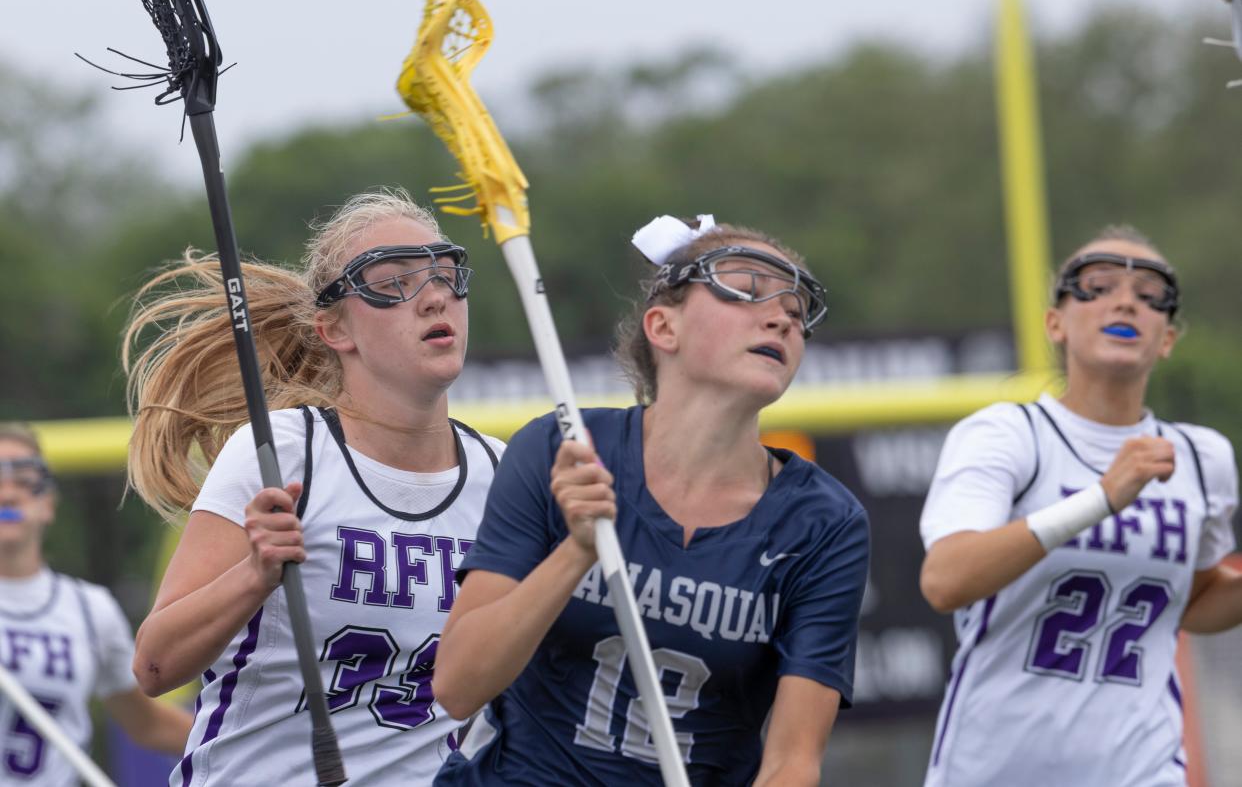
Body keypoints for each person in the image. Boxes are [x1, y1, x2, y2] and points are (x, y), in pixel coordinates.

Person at [432, 215, 870, 786]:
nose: (782, 317)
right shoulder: (561, 449)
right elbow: (459, 685)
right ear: (664, 327)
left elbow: (792, 762)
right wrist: (577, 552)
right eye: (748, 290)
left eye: (797, 310)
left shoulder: (825, 523)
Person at [122, 188, 503, 786]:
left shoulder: (501, 476)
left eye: (445, 273)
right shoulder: (282, 452)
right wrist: (254, 574)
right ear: (334, 329)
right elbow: (154, 666)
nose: (433, 297)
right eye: (394, 281)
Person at [919, 225, 1242, 787]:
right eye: (1097, 286)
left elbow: (1195, 601)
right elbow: (946, 579)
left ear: (1167, 337)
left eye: (1149, 294)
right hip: (998, 765)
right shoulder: (1007, 433)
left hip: (1142, 765)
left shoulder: (1202, 455)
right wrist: (1099, 501)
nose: (1125, 301)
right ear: (1056, 324)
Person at [0, 422, 192, 786]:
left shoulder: (90, 610)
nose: (7, 495)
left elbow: (148, 724)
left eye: (24, 480)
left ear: (48, 504)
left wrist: (252, 743)